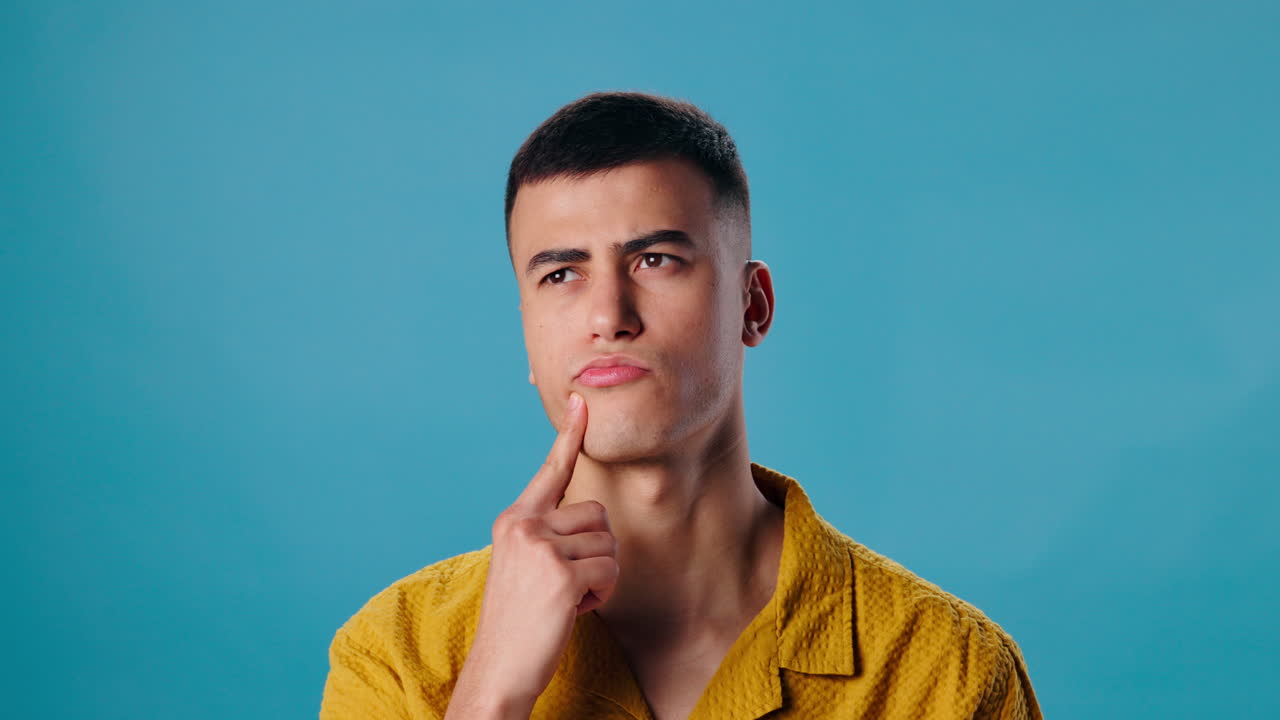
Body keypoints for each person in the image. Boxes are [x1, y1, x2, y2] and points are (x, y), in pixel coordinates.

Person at [319, 91, 1043, 720]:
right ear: (528, 336)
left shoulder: (948, 670)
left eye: (655, 260)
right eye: (561, 274)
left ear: (752, 305)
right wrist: (492, 694)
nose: (608, 315)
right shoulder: (397, 652)